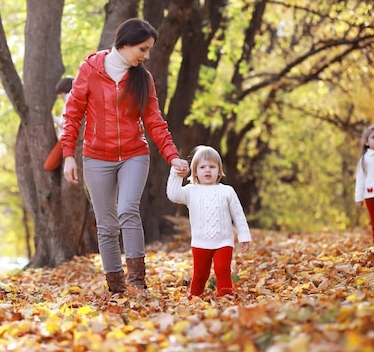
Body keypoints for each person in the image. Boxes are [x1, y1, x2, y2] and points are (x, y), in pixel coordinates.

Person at [61, 18, 189, 294]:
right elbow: (72, 113)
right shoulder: (91, 70)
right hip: (96, 157)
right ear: (126, 43)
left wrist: (172, 157)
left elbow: (154, 121)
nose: (147, 56)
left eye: (149, 50)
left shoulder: (142, 78)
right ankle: (116, 287)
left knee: (128, 210)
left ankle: (137, 283)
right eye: (143, 49)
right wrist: (68, 154)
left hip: (134, 153)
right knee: (106, 224)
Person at [166, 145, 251, 299]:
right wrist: (176, 174)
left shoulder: (227, 191)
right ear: (195, 171)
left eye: (212, 167)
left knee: (222, 269)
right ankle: (194, 296)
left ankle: (225, 294)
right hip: (200, 242)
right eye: (203, 167)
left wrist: (244, 235)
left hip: (224, 241)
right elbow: (173, 195)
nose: (207, 170)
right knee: (200, 274)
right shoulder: (191, 191)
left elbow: (238, 215)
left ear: (219, 171)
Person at [44, 77, 74, 170]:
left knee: (48, 165)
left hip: (66, 138)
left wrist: (52, 118)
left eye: (60, 93)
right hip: (67, 137)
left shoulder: (69, 98)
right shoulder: (72, 98)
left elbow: (64, 123)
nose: (59, 97)